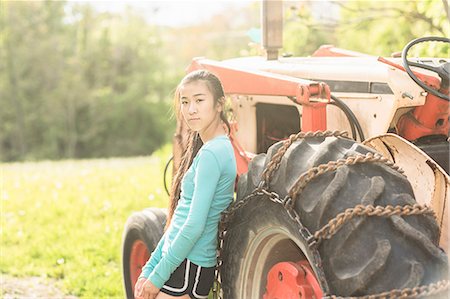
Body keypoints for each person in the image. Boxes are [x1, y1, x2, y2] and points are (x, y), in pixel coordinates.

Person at [134, 70, 237, 299]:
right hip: (181, 258)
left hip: (191, 264)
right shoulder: (209, 149)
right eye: (185, 102)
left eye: (199, 100)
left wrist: (157, 278)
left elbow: (193, 225)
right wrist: (149, 270)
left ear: (219, 105)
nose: (191, 109)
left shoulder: (213, 153)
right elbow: (179, 218)